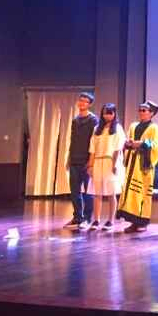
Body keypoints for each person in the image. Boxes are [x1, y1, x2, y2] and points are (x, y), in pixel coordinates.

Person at [118, 101, 158, 233]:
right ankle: (133, 221)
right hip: (133, 163)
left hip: (144, 164)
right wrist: (128, 143)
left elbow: (157, 145)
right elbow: (128, 141)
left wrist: (141, 144)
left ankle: (142, 222)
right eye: (140, 110)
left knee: (142, 193)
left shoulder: (154, 128)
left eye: (144, 110)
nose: (141, 112)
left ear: (151, 113)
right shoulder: (133, 126)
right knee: (132, 193)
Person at [86, 103, 126, 231]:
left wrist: (114, 164)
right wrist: (90, 165)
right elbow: (92, 148)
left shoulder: (118, 129)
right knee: (97, 193)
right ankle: (96, 220)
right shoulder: (97, 129)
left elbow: (118, 148)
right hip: (98, 161)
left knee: (111, 192)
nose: (107, 116)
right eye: (105, 113)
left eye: (110, 113)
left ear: (114, 114)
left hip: (110, 161)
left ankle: (110, 220)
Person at [63, 92, 99, 230]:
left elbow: (94, 142)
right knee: (74, 191)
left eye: (85, 101)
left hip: (87, 161)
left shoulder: (93, 120)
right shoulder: (75, 120)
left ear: (90, 104)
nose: (82, 103)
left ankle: (87, 218)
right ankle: (77, 217)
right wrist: (69, 158)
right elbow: (73, 140)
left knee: (88, 192)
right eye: (80, 100)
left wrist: (91, 161)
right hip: (74, 159)